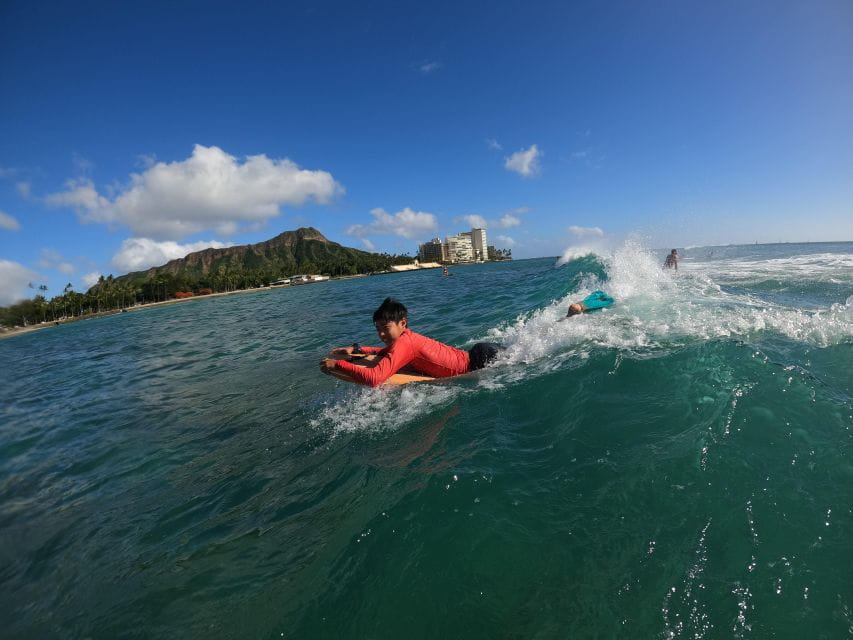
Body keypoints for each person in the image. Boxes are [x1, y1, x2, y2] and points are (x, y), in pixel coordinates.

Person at [320, 297, 502, 386]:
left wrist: (337, 365)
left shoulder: (404, 343)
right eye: (378, 330)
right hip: (477, 353)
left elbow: (375, 378)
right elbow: (385, 352)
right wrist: (357, 349)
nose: (382, 334)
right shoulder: (405, 339)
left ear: (403, 323)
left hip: (480, 362)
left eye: (386, 328)